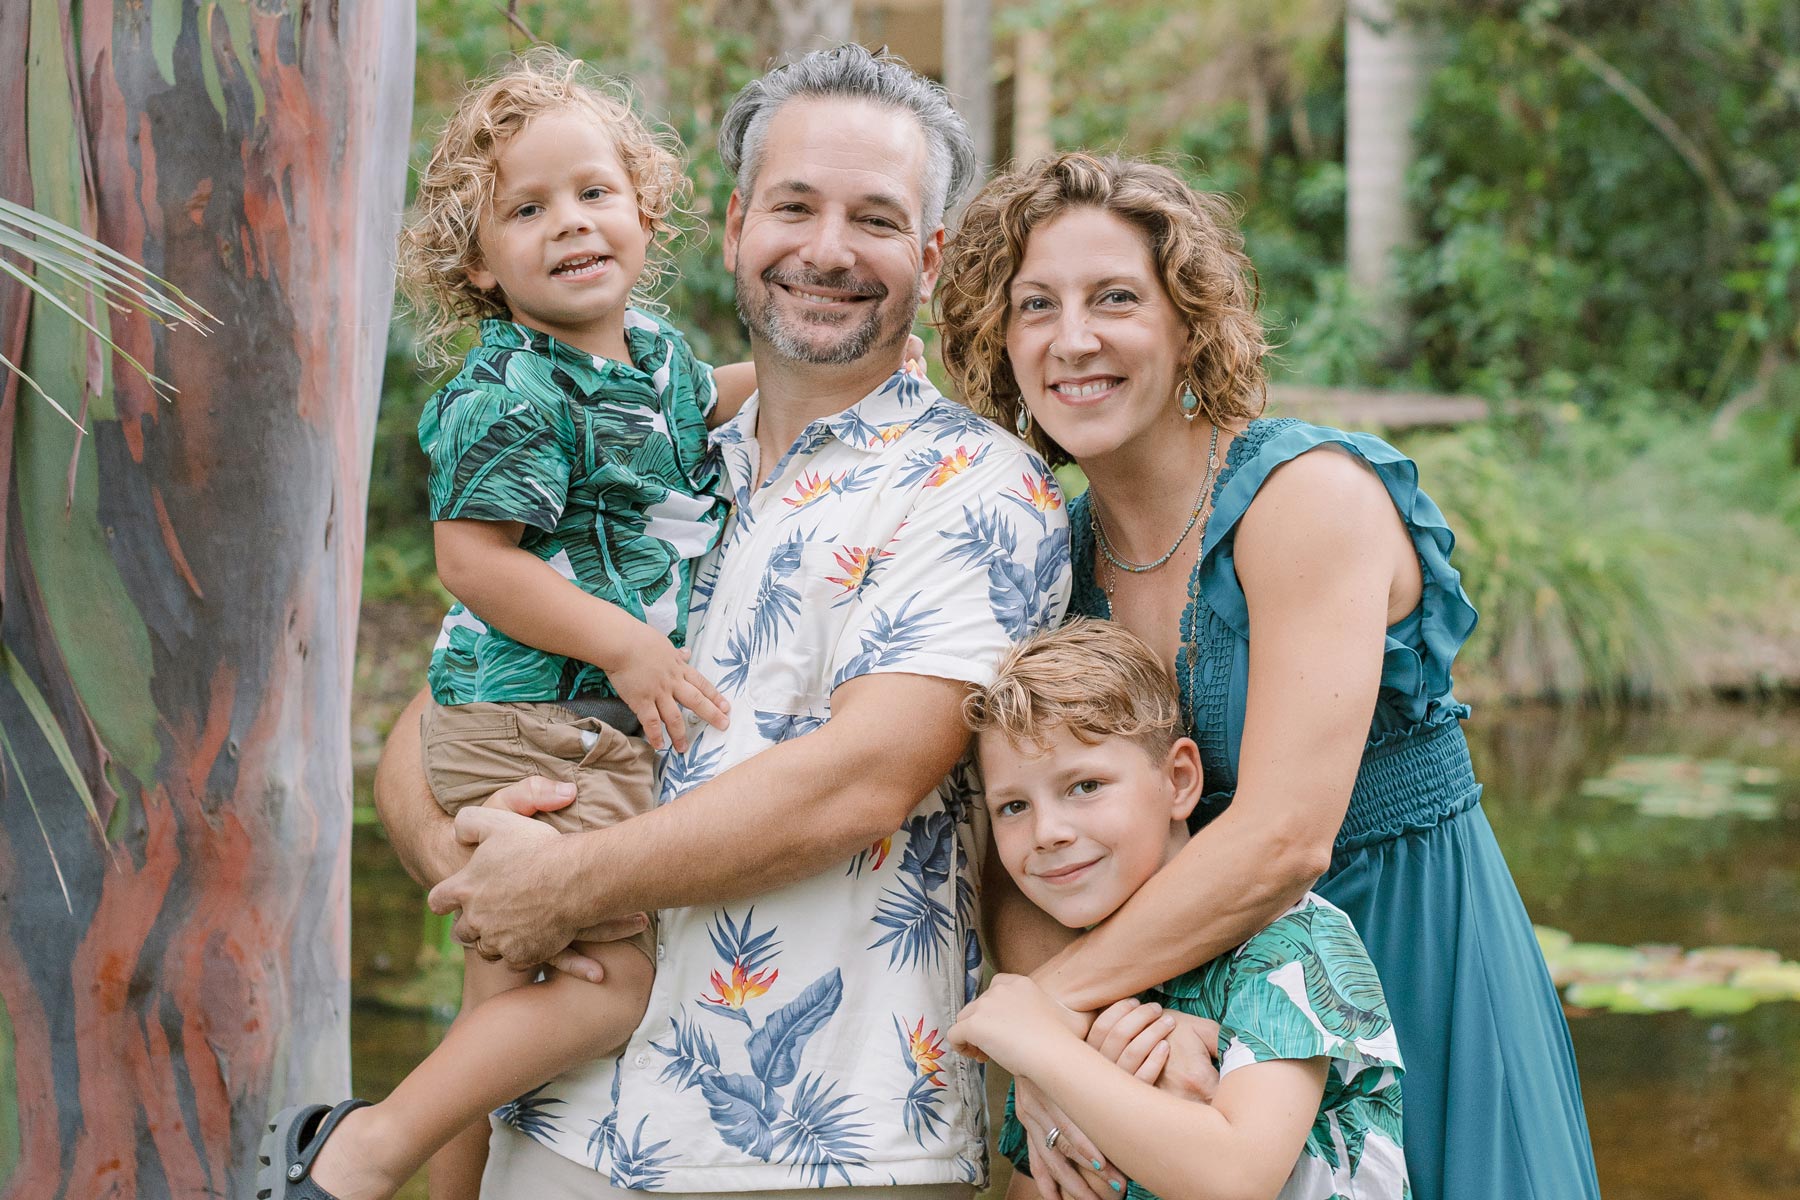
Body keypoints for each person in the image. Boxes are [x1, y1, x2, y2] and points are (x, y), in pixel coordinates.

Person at [370, 45, 1072, 1200]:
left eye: (878, 220)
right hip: (560, 1126)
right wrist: (471, 866)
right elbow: (445, 705)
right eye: (795, 204)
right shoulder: (642, 449)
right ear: (741, 222)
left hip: (813, 1147)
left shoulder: (973, 487)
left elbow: (860, 784)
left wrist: (558, 885)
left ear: (932, 257)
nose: (828, 249)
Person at [936, 152, 1599, 1200]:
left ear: (1189, 319)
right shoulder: (1044, 560)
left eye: (1116, 298)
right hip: (1170, 1010)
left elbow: (1288, 837)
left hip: (1405, 954)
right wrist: (1073, 1035)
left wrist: (1048, 1019)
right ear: (1000, 341)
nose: (1074, 340)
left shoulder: (1307, 499)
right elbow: (1008, 839)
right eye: (1035, 307)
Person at [259, 48, 768, 1200]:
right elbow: (473, 560)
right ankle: (361, 1154)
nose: (572, 223)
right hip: (536, 721)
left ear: (643, 210)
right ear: (480, 265)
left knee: (495, 1014)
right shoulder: (509, 392)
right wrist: (626, 643)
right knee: (605, 985)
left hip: (560, 720)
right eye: (527, 211)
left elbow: (714, 401)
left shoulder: (654, 361)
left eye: (594, 193)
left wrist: (812, 384)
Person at [948, 619, 1408, 1200]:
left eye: (1085, 786)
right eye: (1013, 806)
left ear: (1180, 780)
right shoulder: (1065, 990)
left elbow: (1236, 1178)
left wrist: (1047, 1049)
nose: (1047, 832)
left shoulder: (1292, 942)